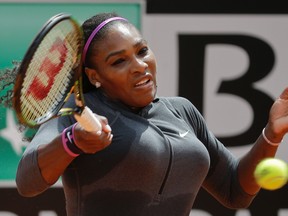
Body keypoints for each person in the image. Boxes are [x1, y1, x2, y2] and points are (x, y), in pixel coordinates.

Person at [16, 12, 288, 216]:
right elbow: (27, 183)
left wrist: (271, 135)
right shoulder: (77, 115)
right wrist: (72, 142)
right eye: (119, 61)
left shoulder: (182, 111)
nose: (139, 66)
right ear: (94, 76)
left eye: (142, 51)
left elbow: (235, 191)